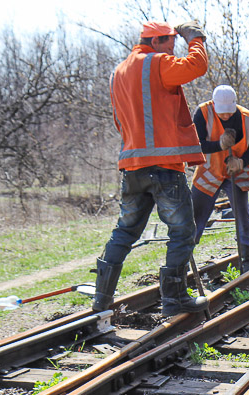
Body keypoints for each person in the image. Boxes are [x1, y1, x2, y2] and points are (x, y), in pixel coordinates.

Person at [93, 21, 209, 317]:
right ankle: (174, 300)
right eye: (170, 40)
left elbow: (120, 120)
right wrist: (195, 38)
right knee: (182, 231)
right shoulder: (157, 63)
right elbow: (196, 65)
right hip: (164, 167)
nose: (173, 46)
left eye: (175, 40)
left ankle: (101, 302)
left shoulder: (118, 72)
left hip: (132, 167)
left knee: (125, 231)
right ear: (154, 41)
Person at [191, 85, 249, 273]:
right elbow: (196, 145)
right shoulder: (202, 113)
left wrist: (241, 162)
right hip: (209, 172)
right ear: (214, 105)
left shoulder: (246, 118)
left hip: (235, 173)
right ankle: (182, 259)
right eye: (222, 114)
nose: (226, 117)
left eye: (229, 113)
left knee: (243, 215)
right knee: (194, 215)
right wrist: (219, 145)